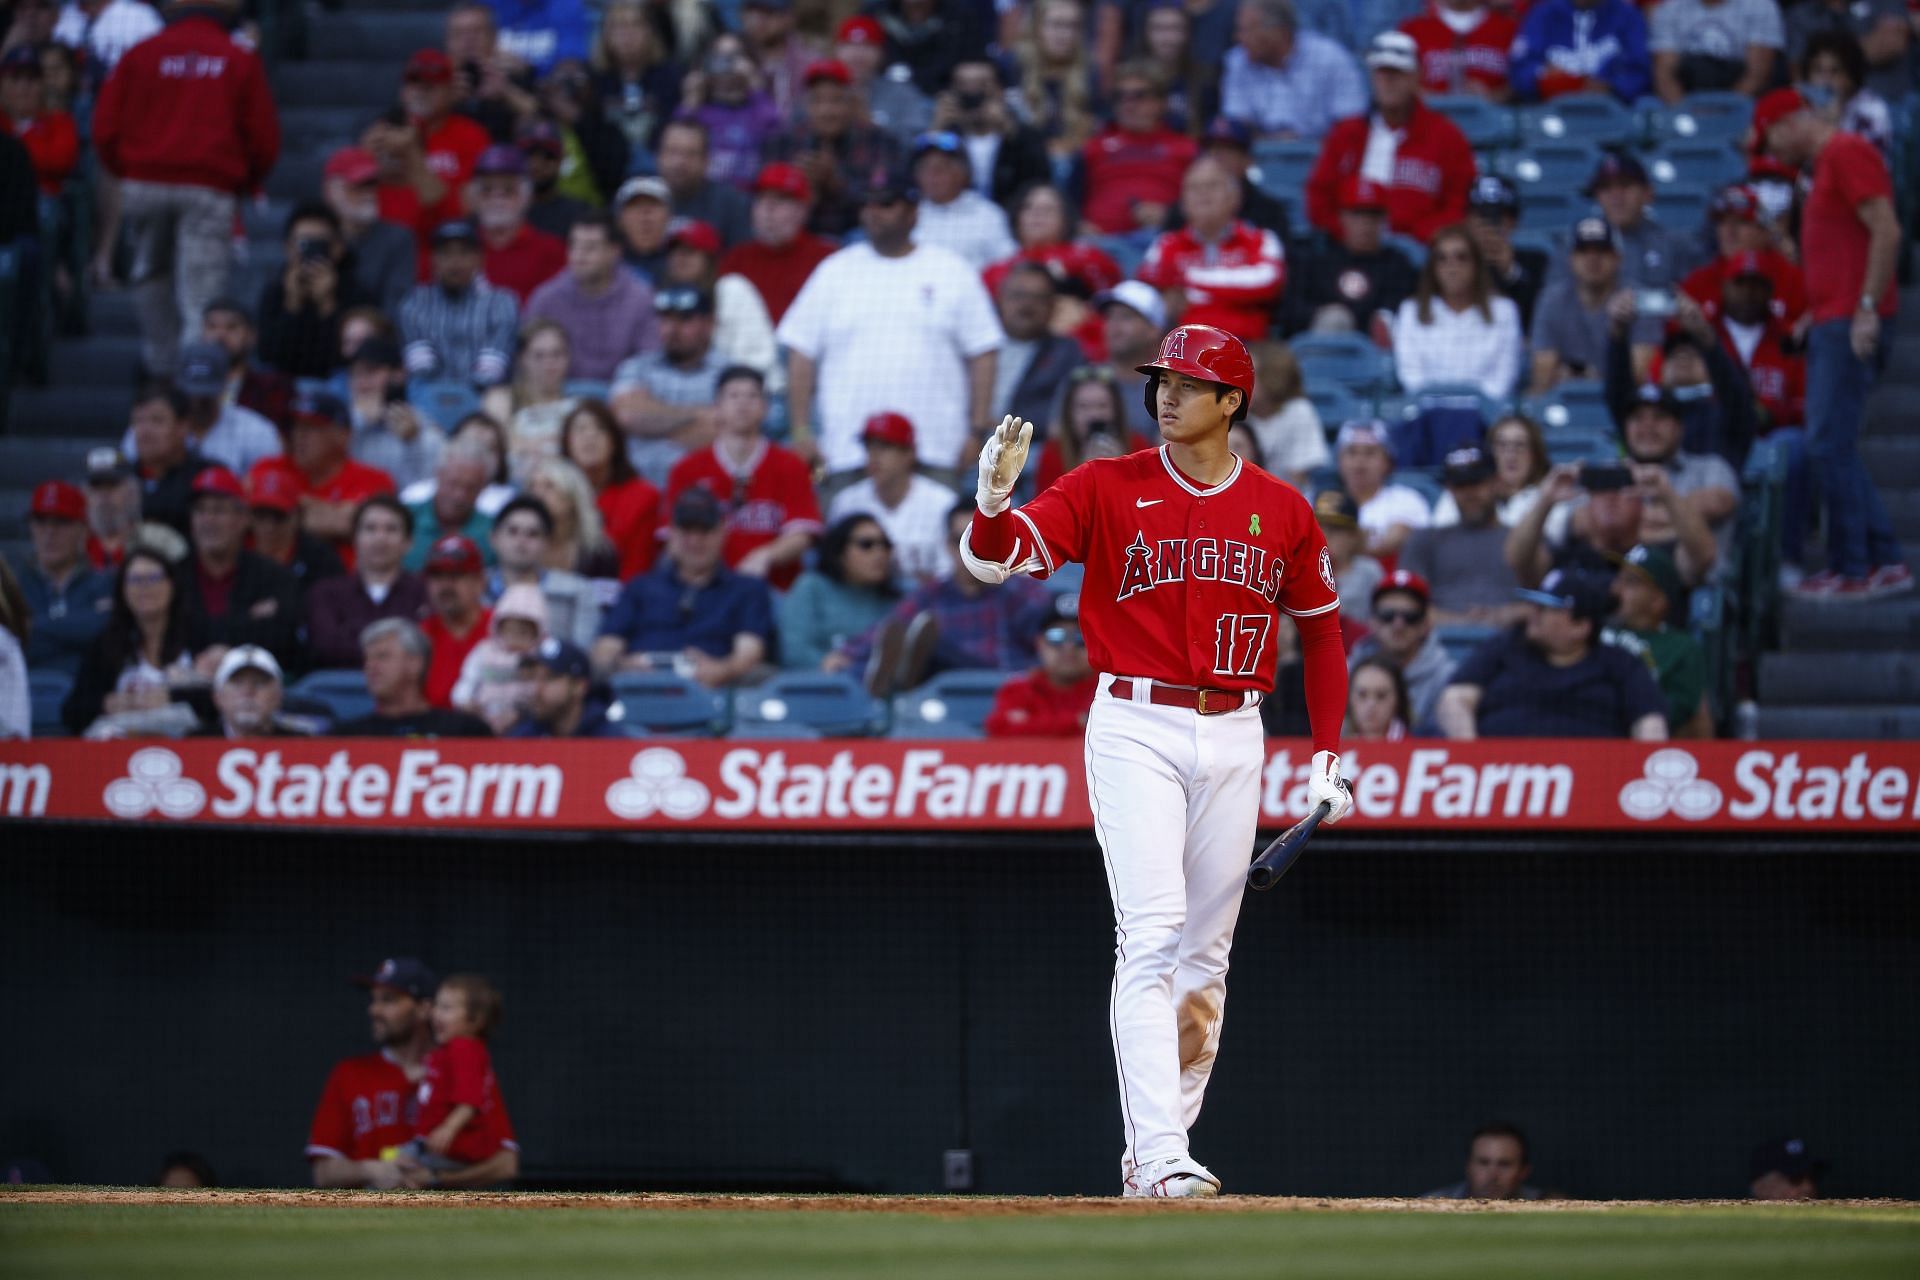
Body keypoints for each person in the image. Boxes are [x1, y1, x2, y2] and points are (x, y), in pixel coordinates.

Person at [962, 325, 1350, 1197]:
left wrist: (1327, 750)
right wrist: (989, 509)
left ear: (1232, 401)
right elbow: (999, 563)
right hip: (1135, 721)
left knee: (1206, 961)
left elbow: (1322, 630)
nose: (1167, 394)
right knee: (1152, 938)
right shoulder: (1107, 483)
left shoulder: (1283, 507)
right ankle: (1162, 1152)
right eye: (1161, 381)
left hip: (1238, 728)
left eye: (1187, 382)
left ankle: (1158, 1158)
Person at [1754, 88, 1909, 601]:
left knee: (1826, 444)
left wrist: (1866, 305)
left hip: (1850, 320)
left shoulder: (1846, 151)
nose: (1770, 150)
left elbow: (1886, 229)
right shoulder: (1823, 167)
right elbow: (1845, 249)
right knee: (1833, 444)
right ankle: (1882, 559)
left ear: (1791, 121)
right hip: (1833, 318)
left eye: (1770, 135)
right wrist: (1813, 314)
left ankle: (1854, 567)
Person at [90, 0, 279, 378]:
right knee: (201, 295)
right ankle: (194, 383)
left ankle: (162, 372)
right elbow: (264, 139)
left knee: (151, 275)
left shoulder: (141, 54)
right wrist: (242, 181)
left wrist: (130, 170)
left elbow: (104, 130)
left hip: (145, 184)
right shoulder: (237, 57)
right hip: (208, 188)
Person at [779, 181, 1002, 478]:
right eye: (867, 204)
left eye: (885, 204)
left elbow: (983, 350)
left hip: (935, 447)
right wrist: (801, 431)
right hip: (846, 450)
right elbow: (800, 352)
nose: (873, 212)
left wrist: (976, 429)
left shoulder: (951, 270)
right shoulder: (834, 271)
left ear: (913, 214)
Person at [832, 501, 1050, 694]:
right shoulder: (932, 594)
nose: (972, 551)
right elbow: (890, 631)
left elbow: (1053, 643)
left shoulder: (1021, 593)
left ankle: (904, 675)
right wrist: (845, 654)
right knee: (913, 646)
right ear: (948, 546)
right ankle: (897, 678)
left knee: (934, 646)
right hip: (948, 698)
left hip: (1005, 690)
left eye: (982, 539)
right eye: (961, 541)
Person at [1435, 568, 1669, 739]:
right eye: (1535, 604)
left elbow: (1650, 724)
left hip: (1591, 778)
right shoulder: (1505, 646)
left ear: (1581, 627)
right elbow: (1455, 699)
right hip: (1502, 775)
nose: (1533, 612)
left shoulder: (1620, 664)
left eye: (1547, 607)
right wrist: (1471, 755)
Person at [591, 487, 775, 687]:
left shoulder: (748, 590)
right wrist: (626, 665)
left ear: (723, 532)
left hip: (716, 695)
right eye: (686, 530)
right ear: (671, 532)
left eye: (704, 530)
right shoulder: (639, 587)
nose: (695, 541)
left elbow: (748, 654)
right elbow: (604, 649)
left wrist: (721, 670)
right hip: (642, 691)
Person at [1304, 32, 1473, 246]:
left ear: (1416, 77)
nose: (1388, 81)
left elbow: (1460, 203)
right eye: (1382, 73)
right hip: (1349, 249)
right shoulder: (1346, 134)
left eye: (1398, 73)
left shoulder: (1447, 136)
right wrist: (1345, 232)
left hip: (1420, 252)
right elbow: (1318, 197)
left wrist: (1422, 235)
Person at [663, 366, 822, 590]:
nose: (743, 403)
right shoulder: (686, 469)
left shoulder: (790, 465)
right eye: (733, 395)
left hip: (773, 588)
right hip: (705, 588)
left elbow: (802, 534)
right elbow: (673, 540)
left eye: (752, 396)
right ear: (716, 409)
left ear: (765, 408)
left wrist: (764, 557)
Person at [308, 957, 437, 1189]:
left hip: (443, 1216)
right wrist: (372, 1170)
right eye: (374, 1000)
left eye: (388, 1000)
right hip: (367, 1217)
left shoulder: (458, 1070)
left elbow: (502, 1163)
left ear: (423, 1009)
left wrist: (439, 1177)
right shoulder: (349, 1073)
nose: (374, 1010)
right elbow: (323, 1172)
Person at [1137, 156, 1286, 342]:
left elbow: (1267, 282)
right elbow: (1147, 288)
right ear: (1182, 203)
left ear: (1235, 197)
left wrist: (1190, 280)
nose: (1203, 194)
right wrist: (1232, 294)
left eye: (1212, 185)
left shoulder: (1260, 239)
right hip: (1181, 350)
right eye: (1194, 188)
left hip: (1244, 347)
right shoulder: (1166, 244)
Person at [60, 547, 200, 737]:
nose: (144, 587)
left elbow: (221, 699)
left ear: (172, 584)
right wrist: (107, 703)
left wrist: (170, 697)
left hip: (191, 752)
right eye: (135, 580)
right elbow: (71, 711)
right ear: (122, 590)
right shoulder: (105, 643)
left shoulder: (199, 635)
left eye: (153, 578)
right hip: (120, 754)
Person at [249, 390, 397, 567]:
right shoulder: (269, 467)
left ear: (343, 435)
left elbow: (356, 525)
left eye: (311, 428)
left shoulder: (373, 479)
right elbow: (240, 515)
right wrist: (325, 512)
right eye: (296, 426)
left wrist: (281, 505)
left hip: (342, 585)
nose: (299, 436)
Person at [363, 49, 491, 253]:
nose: (420, 91)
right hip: (388, 248)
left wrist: (411, 153)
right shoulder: (379, 134)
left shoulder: (472, 136)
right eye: (413, 83)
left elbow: (463, 210)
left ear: (450, 91)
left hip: (446, 249)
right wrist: (367, 158)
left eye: (431, 85)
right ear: (402, 90)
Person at [761, 57, 903, 239]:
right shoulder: (783, 142)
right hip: (797, 239)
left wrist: (837, 184)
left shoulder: (880, 142)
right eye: (817, 101)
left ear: (853, 103)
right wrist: (796, 185)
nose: (826, 111)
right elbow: (765, 202)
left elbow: (887, 204)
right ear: (805, 105)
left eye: (836, 101)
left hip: (858, 241)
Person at [180, 467, 302, 668]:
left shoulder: (274, 576)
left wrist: (229, 652)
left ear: (243, 519)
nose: (208, 520)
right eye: (200, 510)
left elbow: (283, 638)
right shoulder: (174, 574)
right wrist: (247, 622)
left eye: (219, 510)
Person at [608, 284, 727, 486]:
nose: (672, 329)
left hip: (707, 490)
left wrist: (655, 419)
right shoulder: (637, 367)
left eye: (685, 320)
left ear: (709, 324)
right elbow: (628, 415)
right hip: (640, 486)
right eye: (665, 319)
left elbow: (727, 430)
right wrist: (699, 416)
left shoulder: (728, 371)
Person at [524, 212, 659, 383]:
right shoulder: (546, 299)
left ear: (614, 251)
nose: (579, 256)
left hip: (621, 397)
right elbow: (525, 364)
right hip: (559, 395)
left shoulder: (641, 299)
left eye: (590, 247)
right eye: (574, 246)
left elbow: (650, 362)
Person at [1392, 225, 1523, 401]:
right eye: (1442, 259)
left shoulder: (1504, 311)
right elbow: (1411, 377)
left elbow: (1503, 378)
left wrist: (1468, 410)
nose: (1452, 268)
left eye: (1461, 258)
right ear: (1433, 267)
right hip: (1428, 414)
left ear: (1476, 265)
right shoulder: (1411, 310)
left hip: (1486, 416)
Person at [826, 413, 960, 584]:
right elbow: (833, 565)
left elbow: (950, 573)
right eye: (869, 447)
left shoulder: (943, 503)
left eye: (885, 447)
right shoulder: (846, 502)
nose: (874, 456)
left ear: (910, 453)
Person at [1529, 217, 1656, 393]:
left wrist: (1585, 377)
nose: (1592, 258)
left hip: (1626, 406)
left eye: (1602, 250)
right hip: (1568, 402)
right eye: (1583, 251)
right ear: (1571, 259)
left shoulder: (1638, 299)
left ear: (1618, 258)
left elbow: (1639, 375)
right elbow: (1542, 378)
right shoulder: (1552, 300)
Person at [1279, 176, 1418, 337]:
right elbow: (1289, 312)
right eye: (1357, 214)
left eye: (1373, 215)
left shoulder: (1397, 264)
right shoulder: (1318, 259)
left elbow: (1405, 311)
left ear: (1383, 220)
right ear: (1341, 216)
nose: (1365, 224)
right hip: (1320, 349)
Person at [1399, 446, 1521, 625]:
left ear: (1497, 482)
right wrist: (1463, 623)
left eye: (1476, 483)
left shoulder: (1523, 541)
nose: (1469, 493)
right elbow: (1405, 606)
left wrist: (1505, 616)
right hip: (1438, 644)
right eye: (1460, 485)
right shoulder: (1426, 540)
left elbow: (1543, 605)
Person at [305, 496, 429, 670]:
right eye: (370, 529)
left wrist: (353, 634)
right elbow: (326, 648)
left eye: (391, 529)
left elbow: (427, 647)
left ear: (408, 542)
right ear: (354, 538)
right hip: (340, 688)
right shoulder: (326, 593)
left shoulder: (425, 592)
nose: (380, 538)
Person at [1079, 62, 1198, 239]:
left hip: (1163, 240)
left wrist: (1170, 216)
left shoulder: (1185, 148)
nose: (1128, 104)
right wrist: (1077, 225)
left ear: (1161, 102)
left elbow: (1203, 201)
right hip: (1100, 243)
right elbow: (1069, 200)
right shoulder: (1094, 147)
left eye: (1139, 96)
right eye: (1121, 96)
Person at [256, 203, 372, 381]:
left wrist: (327, 304)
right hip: (283, 386)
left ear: (338, 248)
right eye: (303, 243)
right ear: (288, 248)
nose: (310, 251)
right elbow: (268, 356)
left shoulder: (359, 293)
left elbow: (353, 359)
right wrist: (291, 304)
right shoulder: (275, 292)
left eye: (319, 244)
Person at [1220, 0, 1366, 140]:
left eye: (1246, 30)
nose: (1238, 38)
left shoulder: (1330, 59)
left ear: (1278, 31)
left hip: (1321, 153)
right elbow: (1235, 125)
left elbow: (1351, 121)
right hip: (1258, 156)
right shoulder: (1238, 60)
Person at [655, 219, 778, 385]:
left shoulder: (733, 290)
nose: (680, 259)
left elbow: (758, 360)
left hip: (750, 393)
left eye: (689, 251)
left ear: (710, 259)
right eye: (674, 252)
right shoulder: (663, 299)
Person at [400, 221, 520, 388]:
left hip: (486, 400)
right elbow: (421, 369)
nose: (455, 262)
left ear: (479, 259)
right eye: (446, 254)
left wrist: (462, 404)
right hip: (429, 396)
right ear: (434, 259)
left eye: (464, 253)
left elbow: (491, 371)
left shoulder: (501, 303)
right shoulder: (415, 302)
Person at [1607, 542, 1710, 735]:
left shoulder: (1680, 647)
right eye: (1618, 579)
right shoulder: (1592, 627)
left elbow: (1676, 713)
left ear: (1657, 601)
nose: (1616, 589)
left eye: (1630, 583)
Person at [716, 163, 837, 326]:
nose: (768, 209)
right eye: (761, 198)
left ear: (803, 210)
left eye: (780, 200)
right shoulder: (736, 259)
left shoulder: (826, 258)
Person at [1553, 152, 1693, 293]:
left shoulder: (1675, 246)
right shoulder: (1574, 245)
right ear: (1597, 197)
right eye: (1606, 188)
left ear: (1648, 193)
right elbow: (1557, 304)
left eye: (1625, 185)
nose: (1616, 196)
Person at [777, 515, 902, 670]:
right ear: (839, 551)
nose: (879, 552)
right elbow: (795, 649)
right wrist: (822, 662)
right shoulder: (811, 587)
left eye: (886, 545)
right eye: (866, 545)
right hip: (821, 686)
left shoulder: (902, 595)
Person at [16, 480, 112, 676]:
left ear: (83, 530)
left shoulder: (106, 582)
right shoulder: (13, 586)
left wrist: (34, 625)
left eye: (61, 522)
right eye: (40, 521)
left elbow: (106, 632)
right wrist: (76, 628)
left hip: (87, 699)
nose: (50, 533)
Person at [335, 618, 492, 737]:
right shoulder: (345, 737)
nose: (370, 666)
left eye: (382, 657)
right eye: (367, 659)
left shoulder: (464, 732)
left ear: (415, 663)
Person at [928, 57, 1051, 207]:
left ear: (1000, 91)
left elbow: (1039, 184)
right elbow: (918, 183)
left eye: (982, 85)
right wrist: (936, 131)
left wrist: (1010, 131)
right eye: (963, 85)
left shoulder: (1022, 137)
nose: (972, 93)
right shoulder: (944, 137)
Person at [561, 400, 660, 581]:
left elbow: (637, 571)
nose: (590, 436)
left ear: (615, 443)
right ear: (566, 443)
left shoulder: (642, 496)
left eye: (600, 429)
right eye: (580, 429)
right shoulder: (554, 493)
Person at [487, 496, 600, 651]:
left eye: (532, 534)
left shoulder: (578, 592)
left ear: (547, 543)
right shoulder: (473, 589)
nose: (521, 541)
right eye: (513, 531)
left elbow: (582, 654)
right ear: (494, 538)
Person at [1346, 569, 1454, 725]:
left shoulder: (1445, 677)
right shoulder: (1348, 670)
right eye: (1388, 615)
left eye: (1410, 616)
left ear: (1425, 623)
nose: (1398, 625)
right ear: (1372, 621)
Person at [983, 595, 1099, 737]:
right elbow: (999, 729)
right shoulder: (1018, 690)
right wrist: (1077, 722)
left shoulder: (1111, 689)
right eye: (1056, 636)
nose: (1069, 647)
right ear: (1039, 643)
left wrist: (1032, 723)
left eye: (1080, 637)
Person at [322, 146, 417, 316]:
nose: (368, 194)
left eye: (371, 185)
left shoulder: (397, 238)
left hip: (377, 335)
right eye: (357, 186)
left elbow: (395, 307)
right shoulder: (318, 237)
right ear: (331, 192)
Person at [466, 145, 566, 306]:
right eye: (487, 189)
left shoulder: (551, 251)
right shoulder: (458, 247)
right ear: (475, 198)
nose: (497, 198)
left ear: (526, 197)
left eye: (508, 190)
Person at [993, 262, 1087, 430]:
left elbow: (1064, 413)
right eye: (1019, 295)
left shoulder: (1066, 353)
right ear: (1001, 298)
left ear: (1052, 306)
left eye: (1038, 298)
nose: (1027, 305)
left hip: (1029, 444)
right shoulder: (977, 347)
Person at [344, 337, 444, 492]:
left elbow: (425, 493)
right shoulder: (342, 427)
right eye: (356, 375)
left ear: (399, 374)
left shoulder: (423, 429)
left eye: (371, 372)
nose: (362, 383)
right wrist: (357, 420)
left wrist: (413, 442)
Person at [908, 131, 1016, 271]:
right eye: (925, 168)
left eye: (940, 168)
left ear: (963, 173)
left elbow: (1008, 265)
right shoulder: (907, 215)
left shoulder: (988, 215)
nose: (932, 176)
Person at [485, 320, 577, 481]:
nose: (549, 363)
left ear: (568, 357)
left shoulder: (578, 406)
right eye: (539, 356)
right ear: (522, 359)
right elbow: (494, 445)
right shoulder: (501, 399)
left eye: (557, 354)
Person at [1508, 0, 1651, 103]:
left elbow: (1640, 70)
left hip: (1610, 107)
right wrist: (1542, 73)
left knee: (1647, 106)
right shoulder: (1544, 12)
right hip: (1549, 106)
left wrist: (1611, 87)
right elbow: (1520, 68)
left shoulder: (1627, 15)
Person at [450, 581, 546, 733]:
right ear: (498, 628)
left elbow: (542, 691)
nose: (515, 639)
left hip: (522, 719)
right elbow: (469, 678)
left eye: (523, 633)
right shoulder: (484, 651)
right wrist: (464, 700)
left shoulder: (540, 658)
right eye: (510, 631)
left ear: (537, 633)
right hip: (481, 713)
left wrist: (520, 712)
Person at [123, 383, 213, 537]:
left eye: (156, 421)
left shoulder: (208, 478)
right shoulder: (121, 479)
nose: (145, 431)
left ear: (183, 427)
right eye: (138, 421)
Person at [1650, 0, 1783, 102]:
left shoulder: (1760, 6)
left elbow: (1757, 75)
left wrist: (1722, 111)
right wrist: (1685, 112)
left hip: (1740, 100)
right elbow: (1665, 75)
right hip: (1687, 95)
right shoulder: (1669, 8)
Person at [1334, 420, 1430, 561]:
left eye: (1370, 453)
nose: (1360, 462)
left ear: (1388, 462)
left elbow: (1390, 543)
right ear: (1339, 461)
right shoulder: (1321, 501)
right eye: (1351, 452)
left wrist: (1339, 544)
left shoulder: (1407, 500)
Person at [1239, 344, 1327, 492]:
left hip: (1288, 500)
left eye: (1252, 376)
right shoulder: (1236, 413)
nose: (1242, 382)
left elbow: (1299, 477)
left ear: (1273, 379)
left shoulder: (1299, 412)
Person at [246, 468, 346, 597]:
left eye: (278, 516)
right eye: (260, 515)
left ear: (296, 516)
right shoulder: (237, 550)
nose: (268, 526)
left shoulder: (319, 558)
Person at [1466, 176, 1548, 331]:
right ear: (1467, 221)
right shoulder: (1451, 259)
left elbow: (1541, 322)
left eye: (1496, 217)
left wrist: (1511, 273)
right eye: (1482, 217)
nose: (1488, 226)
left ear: (1514, 222)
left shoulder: (1535, 261)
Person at [505, 636, 629, 738]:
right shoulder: (524, 736)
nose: (536, 689)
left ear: (579, 686)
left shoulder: (610, 740)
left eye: (550, 678)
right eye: (532, 677)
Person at [419, 534, 490, 708]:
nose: (445, 586)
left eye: (456, 575)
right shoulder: (419, 636)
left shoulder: (503, 628)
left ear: (480, 582)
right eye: (437, 576)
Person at [655, 118, 749, 249]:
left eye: (690, 154)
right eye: (672, 151)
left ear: (706, 161)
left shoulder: (730, 204)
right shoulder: (640, 199)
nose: (679, 162)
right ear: (659, 156)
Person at [400, 444, 495, 571]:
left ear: (483, 488)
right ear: (438, 475)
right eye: (453, 483)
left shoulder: (493, 533)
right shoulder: (404, 519)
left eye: (470, 487)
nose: (459, 495)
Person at [1801, 31, 1894, 157]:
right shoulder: (1801, 105)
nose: (1825, 80)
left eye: (1835, 71)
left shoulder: (1871, 110)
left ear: (1851, 76)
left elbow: (1863, 164)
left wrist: (1831, 124)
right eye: (1818, 70)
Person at [1400, 0, 1518, 98]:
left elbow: (1521, 86)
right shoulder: (1412, 30)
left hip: (1493, 121)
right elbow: (1399, 83)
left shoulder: (1510, 29)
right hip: (1431, 121)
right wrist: (1435, 100)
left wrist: (1490, 97)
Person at [1094, 282, 1169, 437]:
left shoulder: (1170, 383)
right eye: (1110, 316)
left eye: (1125, 317)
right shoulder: (1085, 380)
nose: (1114, 325)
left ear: (1153, 330)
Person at [525, 457, 618, 580]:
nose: (537, 494)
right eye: (533, 486)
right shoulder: (516, 541)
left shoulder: (599, 552)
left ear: (573, 498)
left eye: (549, 486)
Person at [195, 644, 308, 739]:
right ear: (217, 697)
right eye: (237, 683)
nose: (248, 692)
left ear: (279, 696)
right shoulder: (193, 745)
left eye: (259, 683)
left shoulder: (301, 744)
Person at [1315, 488, 1383, 625]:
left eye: (1335, 530)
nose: (1325, 536)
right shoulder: (1300, 570)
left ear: (1354, 536)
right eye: (1319, 528)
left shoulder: (1369, 571)